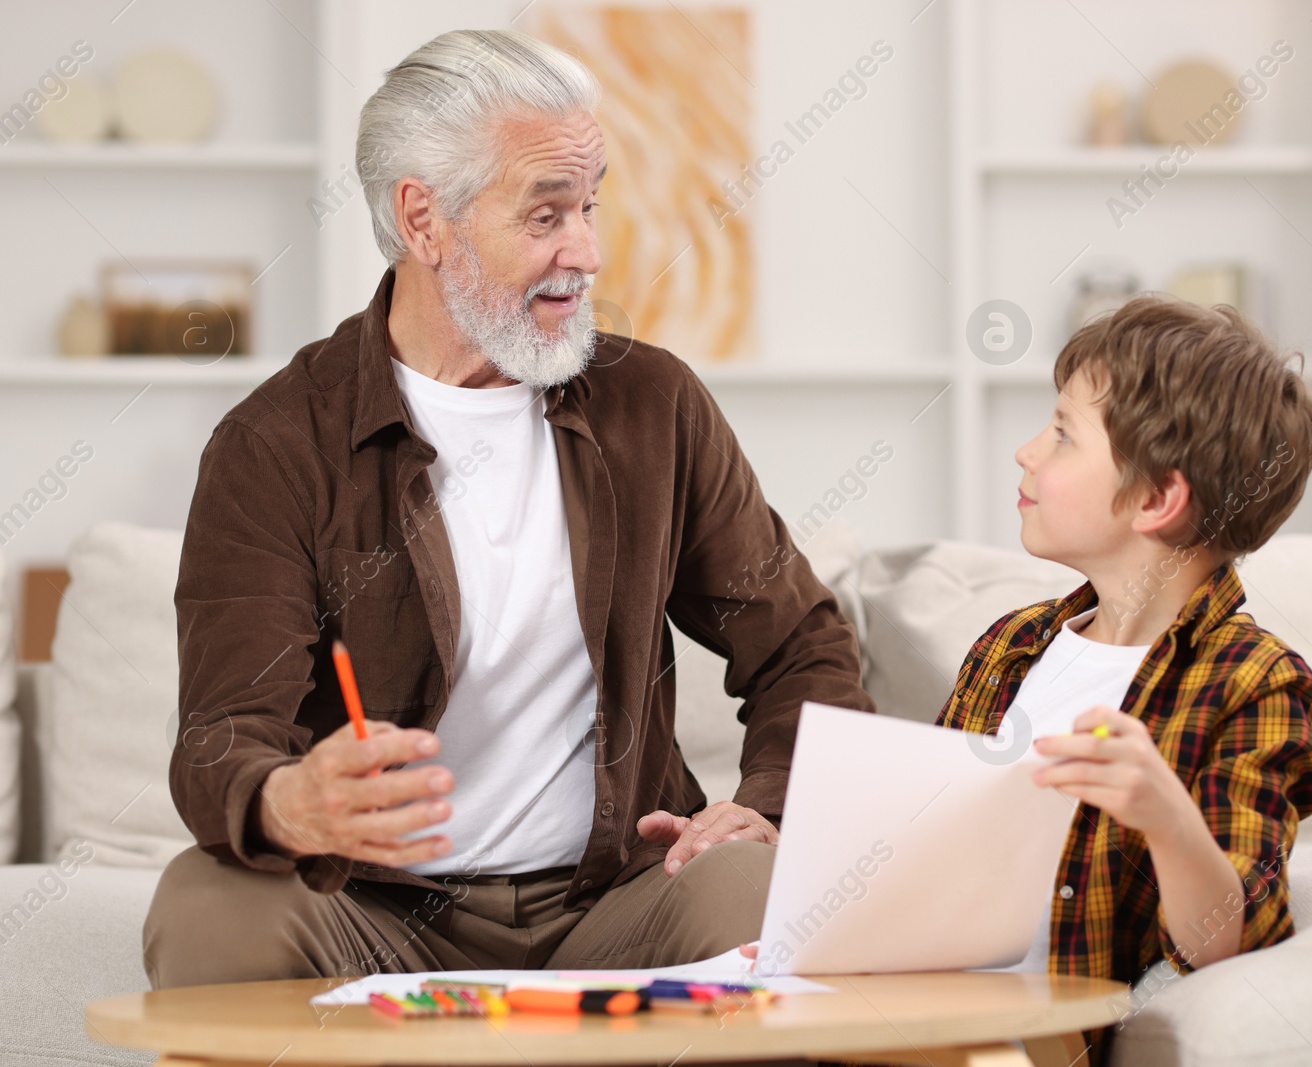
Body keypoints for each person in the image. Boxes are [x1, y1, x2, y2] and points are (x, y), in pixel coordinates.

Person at [142, 29, 872, 991]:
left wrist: (768, 802)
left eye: (591, 206)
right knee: (208, 906)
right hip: (376, 911)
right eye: (546, 215)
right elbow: (219, 734)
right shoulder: (276, 442)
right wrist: (286, 803)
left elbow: (802, 648)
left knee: (763, 888)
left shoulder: (652, 404)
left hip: (614, 900)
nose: (589, 251)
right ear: (424, 219)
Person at [796, 296, 1312, 1066]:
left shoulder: (1256, 683)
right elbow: (918, 856)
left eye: (1060, 434)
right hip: (916, 1003)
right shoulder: (1011, 646)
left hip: (1033, 1041)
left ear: (1155, 499)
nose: (1025, 451)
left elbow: (1225, 940)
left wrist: (1166, 816)